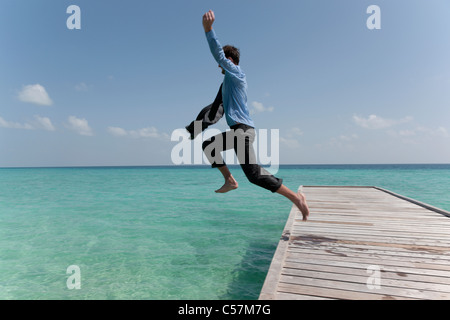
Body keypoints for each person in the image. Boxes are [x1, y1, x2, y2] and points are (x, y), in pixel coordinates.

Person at [201, 10, 309, 221]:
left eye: (223, 63)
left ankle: (296, 199)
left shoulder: (236, 73)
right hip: (240, 130)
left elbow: (219, 56)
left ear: (230, 61)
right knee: (224, 155)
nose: (219, 66)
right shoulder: (230, 81)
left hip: (242, 130)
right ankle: (231, 181)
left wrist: (208, 31)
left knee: (253, 173)